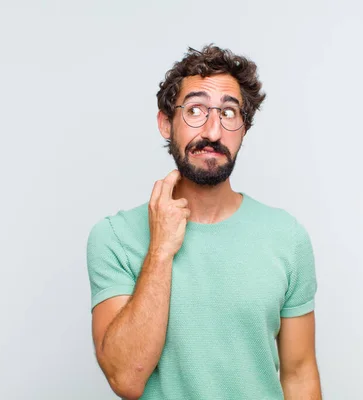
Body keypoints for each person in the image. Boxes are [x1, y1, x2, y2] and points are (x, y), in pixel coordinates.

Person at [86, 44, 321, 400]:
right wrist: (161, 249)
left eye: (229, 113)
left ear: (244, 129)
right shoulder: (114, 237)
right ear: (167, 123)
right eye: (195, 110)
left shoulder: (287, 237)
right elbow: (125, 379)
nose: (213, 131)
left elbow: (300, 374)